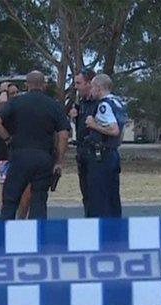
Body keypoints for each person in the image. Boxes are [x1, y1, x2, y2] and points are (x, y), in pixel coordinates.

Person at [0, 71, 70, 220]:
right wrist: (59, 160)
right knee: (39, 199)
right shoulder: (54, 105)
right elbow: (64, 134)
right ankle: (37, 236)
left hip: (20, 155)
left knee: (10, 199)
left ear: (26, 85)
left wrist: (8, 139)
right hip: (43, 157)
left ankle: (4, 235)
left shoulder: (15, 102)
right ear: (44, 86)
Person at [82, 73, 127, 218]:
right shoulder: (118, 102)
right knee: (112, 195)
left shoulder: (104, 105)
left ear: (99, 88)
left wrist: (93, 125)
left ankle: (100, 231)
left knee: (99, 198)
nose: (91, 91)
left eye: (93, 87)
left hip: (101, 156)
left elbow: (114, 130)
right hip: (112, 154)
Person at [0, 82, 31, 219]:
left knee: (26, 193)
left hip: (19, 155)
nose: (15, 96)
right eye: (11, 93)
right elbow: (2, 103)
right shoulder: (0, 109)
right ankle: (5, 222)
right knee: (6, 194)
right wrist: (3, 90)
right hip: (4, 156)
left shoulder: (19, 109)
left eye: (16, 93)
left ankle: (21, 221)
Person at [68, 68, 98, 216]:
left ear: (89, 83)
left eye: (79, 83)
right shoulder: (82, 103)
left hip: (94, 152)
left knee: (95, 193)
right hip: (82, 152)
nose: (76, 87)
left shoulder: (99, 103)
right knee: (85, 191)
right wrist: (75, 117)